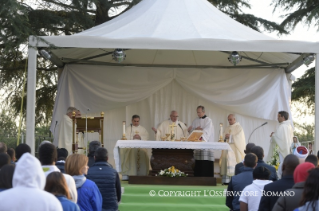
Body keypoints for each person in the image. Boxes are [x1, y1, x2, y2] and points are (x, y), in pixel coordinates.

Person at [220, 114, 246, 183]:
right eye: (228, 119)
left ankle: (235, 180)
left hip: (235, 148)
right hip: (227, 148)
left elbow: (240, 138)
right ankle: (226, 181)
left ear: (234, 119)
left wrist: (231, 136)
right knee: (226, 162)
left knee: (235, 163)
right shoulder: (227, 128)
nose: (229, 121)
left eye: (230, 119)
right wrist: (225, 137)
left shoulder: (239, 127)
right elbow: (222, 137)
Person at [268, 111, 294, 178]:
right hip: (287, 149)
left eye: (279, 116)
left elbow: (277, 138)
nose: (277, 118)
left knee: (281, 166)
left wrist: (273, 135)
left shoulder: (282, 127)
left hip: (281, 150)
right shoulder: (289, 126)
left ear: (283, 117)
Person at [191, 106, 215, 177]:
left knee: (205, 162)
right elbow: (192, 131)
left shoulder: (208, 120)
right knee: (198, 162)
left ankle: (207, 178)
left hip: (205, 145)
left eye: (199, 112)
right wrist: (196, 129)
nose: (198, 114)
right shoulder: (195, 120)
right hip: (197, 146)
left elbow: (207, 131)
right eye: (197, 112)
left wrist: (200, 132)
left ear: (204, 112)